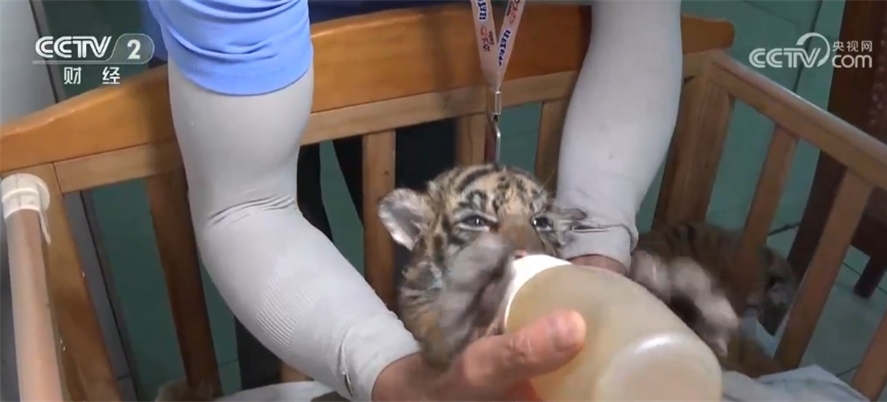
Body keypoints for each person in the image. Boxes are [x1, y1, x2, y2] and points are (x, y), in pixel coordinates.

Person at [145, 0, 682, 398]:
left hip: (427, 28)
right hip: (237, 45)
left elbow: (642, 16)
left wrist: (596, 253)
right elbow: (247, 206)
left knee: (445, 274)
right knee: (286, 345)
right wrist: (394, 376)